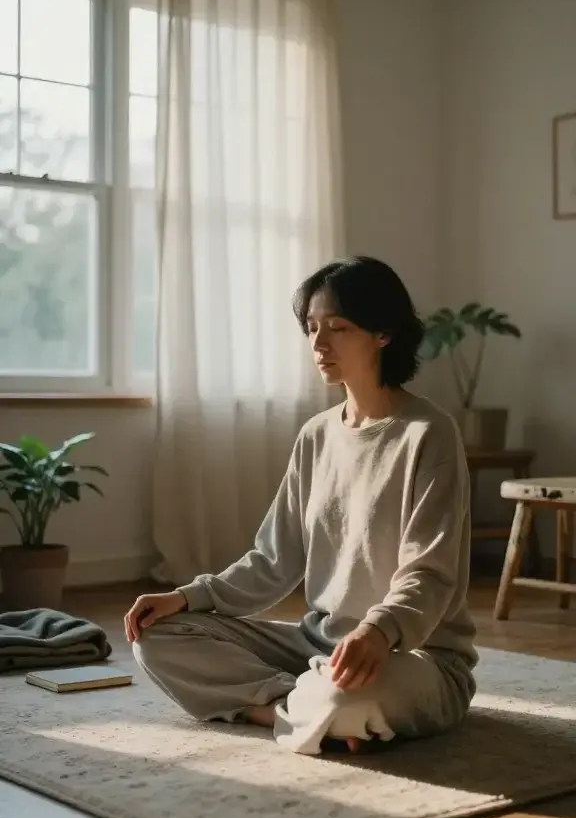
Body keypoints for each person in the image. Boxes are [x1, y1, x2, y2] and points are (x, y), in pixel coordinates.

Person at [125, 256, 477, 753]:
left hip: (413, 656)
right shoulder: (316, 436)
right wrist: (186, 598)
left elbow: (431, 572)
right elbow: (273, 561)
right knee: (155, 635)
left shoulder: (429, 434)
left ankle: (316, 708)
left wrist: (378, 631)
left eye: (338, 327)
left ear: (383, 333)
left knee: (345, 694)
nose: (319, 343)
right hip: (315, 647)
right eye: (312, 328)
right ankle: (288, 710)